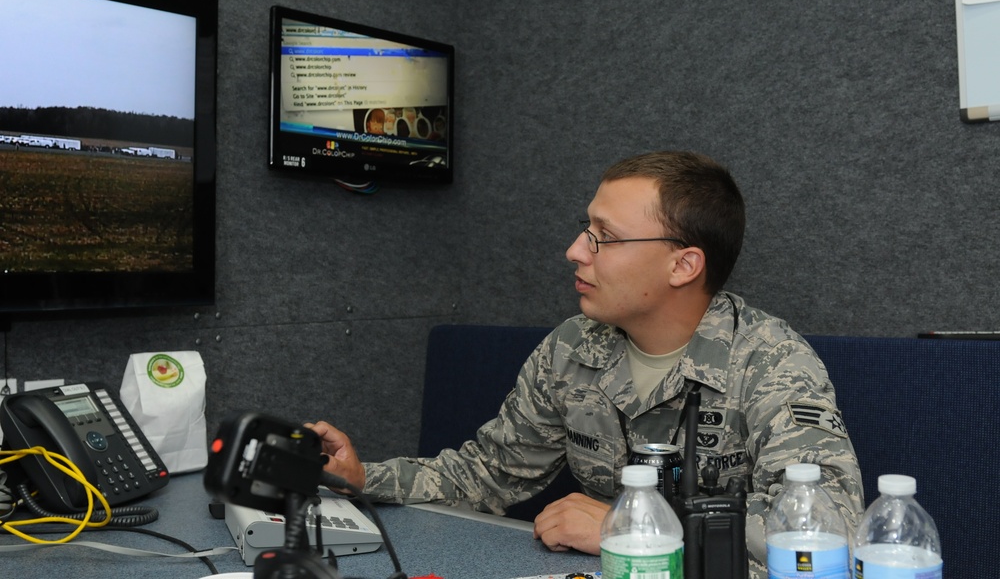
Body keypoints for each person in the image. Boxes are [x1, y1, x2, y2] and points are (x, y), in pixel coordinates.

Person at [308, 151, 864, 578]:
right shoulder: (573, 347)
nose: (576, 250)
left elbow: (827, 544)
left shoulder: (772, 364)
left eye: (605, 238)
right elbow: (488, 474)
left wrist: (640, 537)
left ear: (683, 264)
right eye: (586, 229)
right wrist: (364, 479)